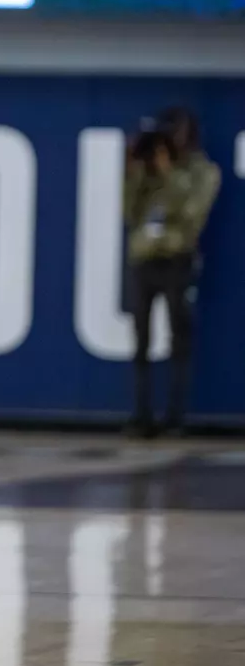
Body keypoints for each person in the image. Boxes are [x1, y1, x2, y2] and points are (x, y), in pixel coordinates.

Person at [123, 110, 220, 438]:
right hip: (144, 260)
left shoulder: (203, 172)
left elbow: (191, 215)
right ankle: (141, 415)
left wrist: (169, 173)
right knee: (140, 341)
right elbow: (129, 212)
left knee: (179, 339)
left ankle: (175, 417)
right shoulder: (147, 169)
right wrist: (134, 172)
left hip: (176, 260)